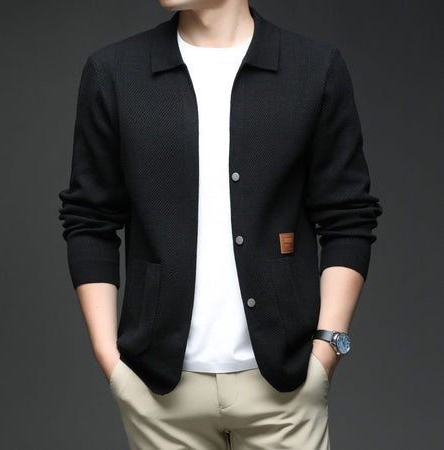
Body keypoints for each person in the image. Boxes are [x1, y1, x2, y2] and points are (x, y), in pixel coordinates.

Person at [58, 1, 383, 448]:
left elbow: (348, 216)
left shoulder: (313, 68)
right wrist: (110, 361)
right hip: (157, 396)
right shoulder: (114, 71)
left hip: (286, 389)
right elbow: (89, 219)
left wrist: (327, 349)